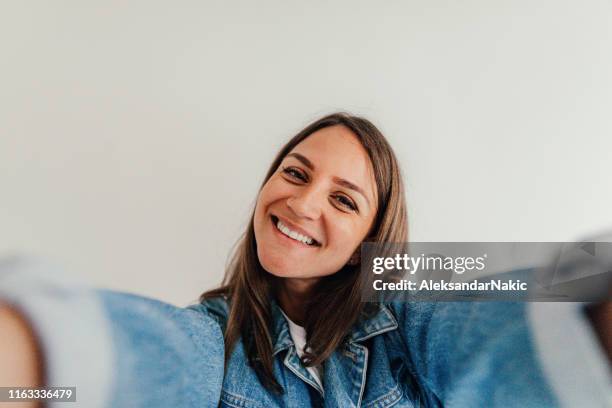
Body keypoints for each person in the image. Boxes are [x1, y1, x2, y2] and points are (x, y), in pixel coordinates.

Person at [0, 113, 610, 407]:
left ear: (373, 233)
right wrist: (29, 359)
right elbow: (142, 354)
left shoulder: (409, 285)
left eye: (343, 199)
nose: (302, 201)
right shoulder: (217, 331)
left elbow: (505, 299)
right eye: (295, 173)